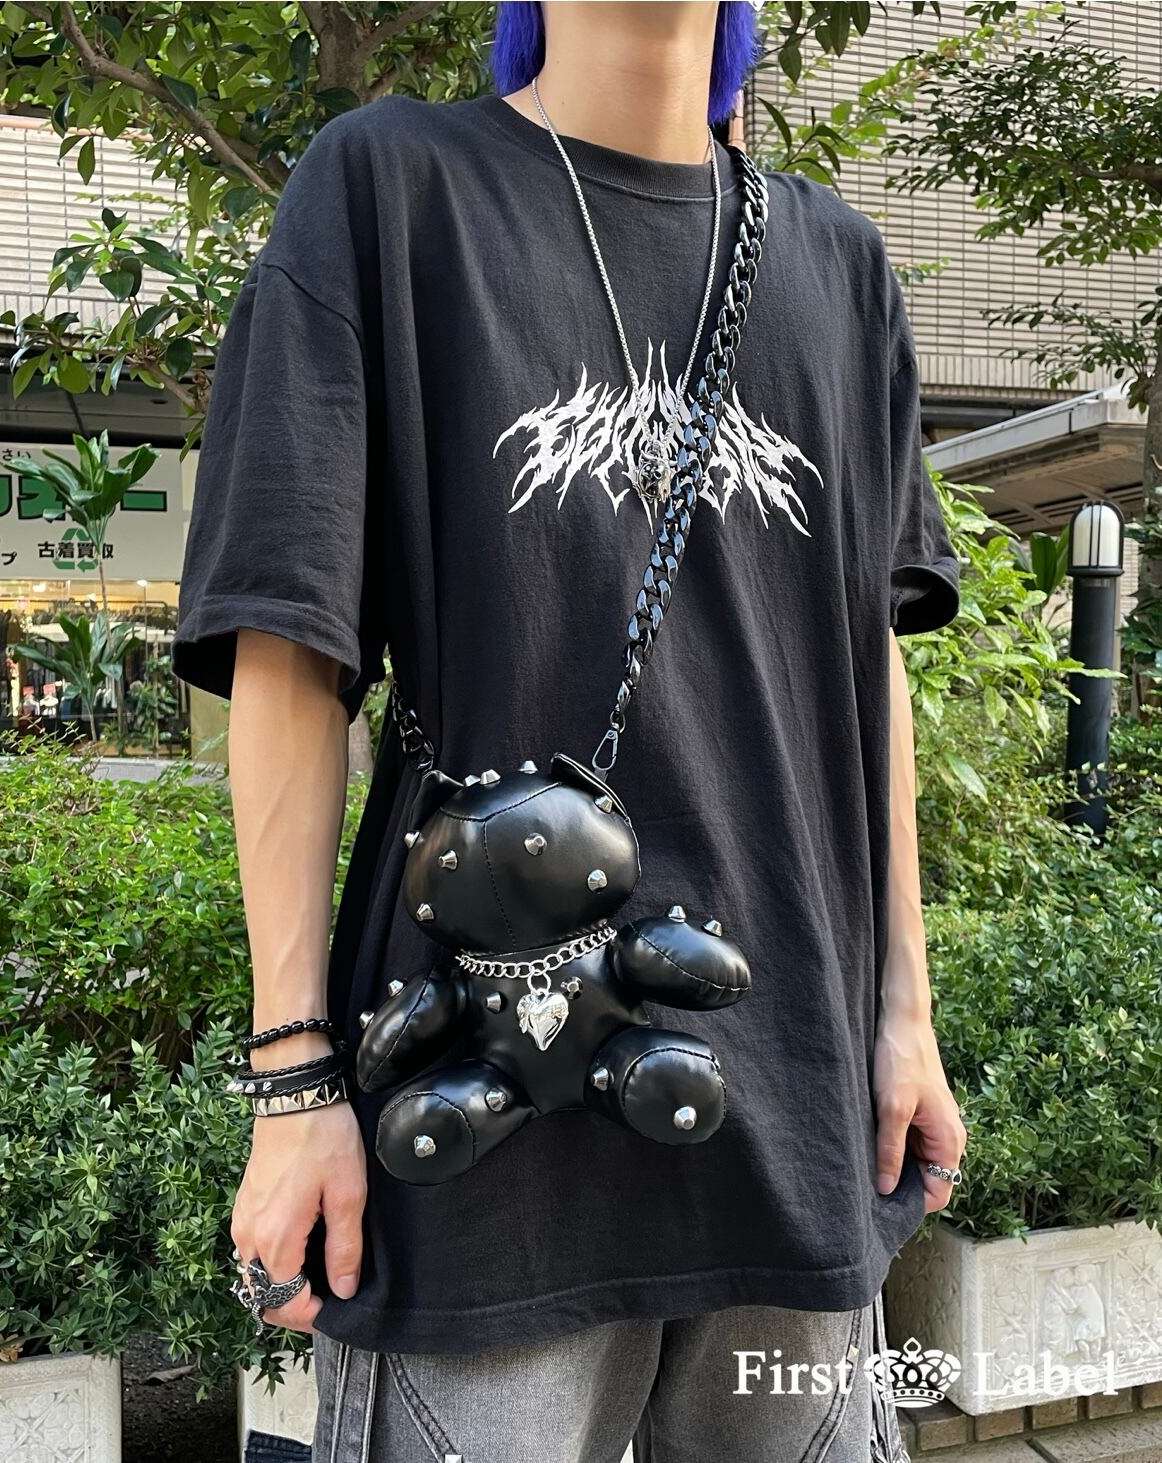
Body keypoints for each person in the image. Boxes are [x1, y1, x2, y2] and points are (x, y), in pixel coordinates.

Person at [171, 3, 967, 1458]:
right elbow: (289, 649)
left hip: (793, 1098)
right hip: (482, 1130)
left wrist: (902, 1016)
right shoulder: (393, 189)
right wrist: (295, 1079)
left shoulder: (837, 265)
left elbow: (866, 676)